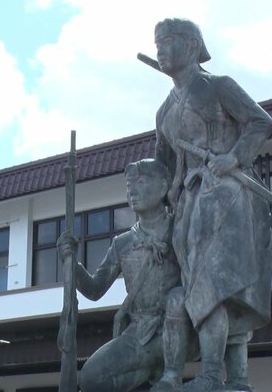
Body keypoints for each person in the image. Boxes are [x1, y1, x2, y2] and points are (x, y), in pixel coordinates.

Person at [150, 18, 272, 391]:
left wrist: (234, 157)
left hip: (229, 196)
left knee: (218, 285)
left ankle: (214, 377)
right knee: (200, 287)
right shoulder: (164, 111)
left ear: (192, 46)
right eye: (157, 41)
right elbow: (163, 167)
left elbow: (260, 121)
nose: (160, 48)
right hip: (190, 205)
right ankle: (232, 379)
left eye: (169, 40)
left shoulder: (218, 86)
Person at [57, 159, 193, 392]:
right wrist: (71, 263)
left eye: (140, 182)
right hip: (139, 332)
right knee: (91, 378)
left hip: (179, 327)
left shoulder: (181, 228)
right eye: (129, 184)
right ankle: (150, 372)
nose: (132, 190)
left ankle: (169, 376)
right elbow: (94, 289)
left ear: (162, 187)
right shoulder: (122, 243)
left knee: (177, 298)